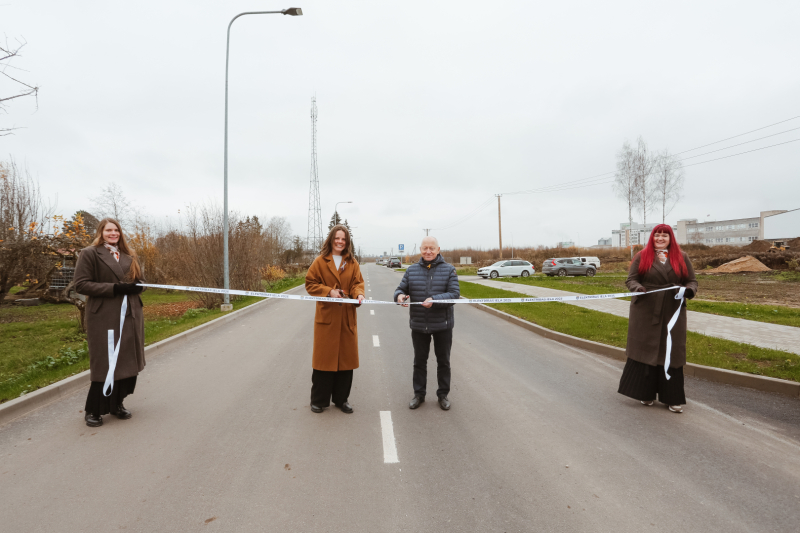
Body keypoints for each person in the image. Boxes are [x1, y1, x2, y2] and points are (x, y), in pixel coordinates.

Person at [618, 224, 698, 413]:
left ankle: (672, 397)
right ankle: (645, 393)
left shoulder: (682, 257)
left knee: (671, 349)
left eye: (664, 235)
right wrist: (638, 288)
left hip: (672, 309)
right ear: (652, 237)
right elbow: (631, 279)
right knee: (645, 348)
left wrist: (688, 291)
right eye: (657, 235)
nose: (660, 239)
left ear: (671, 238)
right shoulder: (642, 256)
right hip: (645, 309)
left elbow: (692, 281)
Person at [74, 218, 145, 427]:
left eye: (116, 230)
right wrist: (115, 289)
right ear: (101, 232)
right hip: (105, 315)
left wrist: (138, 287)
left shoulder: (129, 255)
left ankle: (117, 404)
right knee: (106, 361)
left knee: (127, 360)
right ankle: (94, 409)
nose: (113, 233)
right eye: (108, 230)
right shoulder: (90, 253)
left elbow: (141, 281)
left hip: (131, 314)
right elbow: (81, 284)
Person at [394, 236, 460, 411]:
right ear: (420, 250)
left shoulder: (449, 270)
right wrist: (399, 296)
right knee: (419, 362)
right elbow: (400, 289)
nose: (428, 251)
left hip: (442, 325)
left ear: (438, 250)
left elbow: (454, 295)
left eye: (432, 248)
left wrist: (435, 300)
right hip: (419, 324)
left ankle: (443, 395)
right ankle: (419, 394)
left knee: (443, 361)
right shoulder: (411, 271)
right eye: (425, 248)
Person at [305, 225, 366, 413]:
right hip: (327, 319)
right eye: (337, 238)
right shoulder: (320, 262)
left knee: (346, 361)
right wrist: (328, 291)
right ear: (331, 240)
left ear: (347, 242)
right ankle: (319, 400)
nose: (340, 242)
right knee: (324, 361)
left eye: (344, 239)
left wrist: (359, 295)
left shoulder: (352, 262)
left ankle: (341, 400)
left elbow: (357, 283)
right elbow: (310, 283)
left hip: (346, 319)